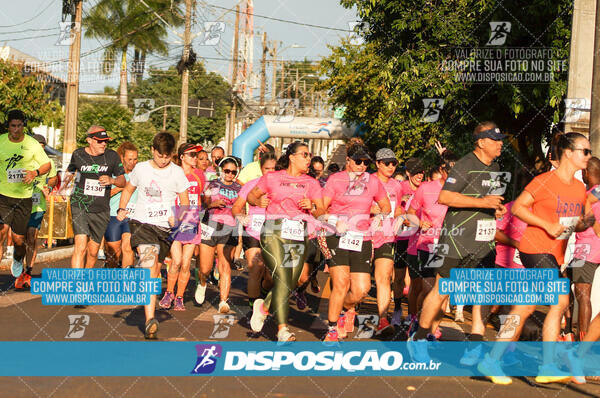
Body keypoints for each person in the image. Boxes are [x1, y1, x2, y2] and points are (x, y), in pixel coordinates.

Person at [478, 132, 591, 384]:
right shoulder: (544, 181)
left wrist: (583, 223)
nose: (588, 156)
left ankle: (492, 359)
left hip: (554, 254)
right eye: (585, 151)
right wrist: (547, 225)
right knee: (560, 301)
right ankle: (549, 365)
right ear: (568, 153)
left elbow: (582, 222)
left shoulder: (579, 188)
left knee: (525, 307)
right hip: (534, 248)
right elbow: (518, 207)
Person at [408, 122, 507, 363]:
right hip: (455, 237)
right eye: (495, 140)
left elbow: (490, 200)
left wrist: (496, 209)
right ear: (481, 142)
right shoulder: (465, 165)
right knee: (442, 290)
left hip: (482, 239)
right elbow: (446, 197)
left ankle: (475, 343)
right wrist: (483, 203)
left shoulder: (495, 167)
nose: (500, 144)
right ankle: (419, 337)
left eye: (501, 140)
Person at [247, 141, 325, 343]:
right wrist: (258, 201)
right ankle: (282, 330)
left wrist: (312, 205)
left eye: (309, 155)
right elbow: (251, 196)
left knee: (291, 282)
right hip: (274, 231)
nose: (309, 159)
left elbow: (322, 211)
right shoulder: (272, 177)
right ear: (291, 157)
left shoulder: (312, 183)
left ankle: (263, 307)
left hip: (299, 233)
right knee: (282, 277)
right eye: (305, 155)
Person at [116, 132, 190, 339]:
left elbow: (184, 201)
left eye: (167, 156)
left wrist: (178, 218)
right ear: (152, 151)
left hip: (165, 228)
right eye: (160, 156)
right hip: (142, 224)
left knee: (155, 268)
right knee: (149, 267)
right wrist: (122, 208)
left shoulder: (176, 172)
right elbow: (128, 190)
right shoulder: (141, 169)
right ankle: (150, 319)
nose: (163, 160)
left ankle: (146, 295)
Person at [321, 143, 391, 344]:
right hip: (336, 236)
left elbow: (385, 206)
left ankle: (344, 308)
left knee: (362, 289)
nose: (362, 166)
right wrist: (335, 221)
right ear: (348, 161)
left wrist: (377, 219)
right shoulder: (336, 180)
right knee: (341, 283)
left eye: (366, 163)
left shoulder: (373, 182)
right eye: (358, 161)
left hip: (362, 238)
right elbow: (321, 208)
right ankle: (332, 329)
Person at [405, 151, 457, 339]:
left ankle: (430, 329)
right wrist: (419, 223)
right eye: (450, 170)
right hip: (428, 244)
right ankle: (418, 322)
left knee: (442, 300)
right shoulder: (426, 188)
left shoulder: (461, 190)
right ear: (442, 169)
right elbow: (410, 212)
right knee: (428, 290)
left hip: (450, 247)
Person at [0, 110, 51, 280]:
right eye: (13, 126)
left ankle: (17, 257)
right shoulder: (1, 141)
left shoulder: (32, 143)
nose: (16, 129)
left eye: (19, 126)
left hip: (24, 198)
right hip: (2, 196)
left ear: (23, 126)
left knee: (19, 240)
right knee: (1, 233)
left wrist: (34, 173)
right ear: (8, 126)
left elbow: (46, 165)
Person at [65, 125, 125, 269]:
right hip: (79, 205)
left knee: (93, 252)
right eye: (99, 141)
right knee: (80, 246)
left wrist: (112, 180)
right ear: (89, 140)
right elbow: (69, 173)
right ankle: (77, 286)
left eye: (105, 141)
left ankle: (86, 278)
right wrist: (59, 189)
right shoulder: (78, 154)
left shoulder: (112, 156)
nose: (103, 144)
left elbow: (122, 181)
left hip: (101, 208)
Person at [159, 143, 205, 311]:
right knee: (176, 261)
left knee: (186, 264)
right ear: (182, 157)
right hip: (176, 224)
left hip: (192, 224)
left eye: (196, 155)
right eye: (192, 155)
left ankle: (179, 297)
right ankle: (169, 293)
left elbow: (202, 199)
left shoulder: (200, 175)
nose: (195, 158)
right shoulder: (173, 174)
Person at [232, 152, 277, 307]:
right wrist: (241, 216)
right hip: (253, 232)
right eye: (267, 169)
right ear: (260, 168)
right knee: (255, 269)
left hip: (273, 234)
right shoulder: (251, 184)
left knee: (271, 276)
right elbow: (236, 207)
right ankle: (253, 307)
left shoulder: (282, 186)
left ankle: (263, 294)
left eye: (273, 168)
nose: (270, 172)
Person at [197, 157, 242, 313]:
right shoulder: (212, 184)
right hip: (210, 224)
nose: (230, 175)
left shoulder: (239, 187)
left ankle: (223, 301)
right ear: (221, 170)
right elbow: (204, 203)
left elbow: (242, 208)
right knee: (205, 268)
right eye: (227, 171)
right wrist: (212, 204)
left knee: (225, 265)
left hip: (230, 227)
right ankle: (202, 283)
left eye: (233, 172)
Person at [15, 134, 58, 288]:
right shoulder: (22, 160)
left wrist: (49, 186)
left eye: (41, 146)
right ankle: (18, 264)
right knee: (19, 239)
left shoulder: (49, 163)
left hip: (38, 205)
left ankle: (28, 271)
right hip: (20, 204)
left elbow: (53, 178)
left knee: (32, 236)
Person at [370, 148, 404, 336]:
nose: (391, 166)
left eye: (394, 163)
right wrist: (371, 209)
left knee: (383, 277)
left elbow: (397, 208)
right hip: (364, 235)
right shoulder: (367, 182)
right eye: (387, 163)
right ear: (378, 164)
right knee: (362, 284)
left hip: (387, 235)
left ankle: (383, 319)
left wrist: (400, 218)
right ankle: (348, 310)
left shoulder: (396, 186)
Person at [567, 157, 600, 341]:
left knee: (582, 293)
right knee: (564, 280)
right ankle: (568, 331)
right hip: (588, 249)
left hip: (586, 250)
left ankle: (582, 342)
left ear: (586, 173)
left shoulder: (594, 192)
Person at [392, 157, 425, 327]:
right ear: (407, 173)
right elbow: (393, 209)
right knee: (398, 277)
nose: (419, 175)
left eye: (421, 172)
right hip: (401, 238)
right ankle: (397, 310)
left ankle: (415, 316)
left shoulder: (426, 189)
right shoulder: (400, 187)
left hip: (419, 240)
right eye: (415, 172)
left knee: (416, 281)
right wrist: (402, 215)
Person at [104, 142, 138, 268]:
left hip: (132, 216)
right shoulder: (114, 175)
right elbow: (104, 196)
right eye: (129, 159)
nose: (132, 162)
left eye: (135, 159)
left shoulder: (138, 174)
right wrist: (122, 187)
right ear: (122, 158)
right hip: (114, 215)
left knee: (128, 248)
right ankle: (111, 278)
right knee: (114, 253)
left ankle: (126, 282)